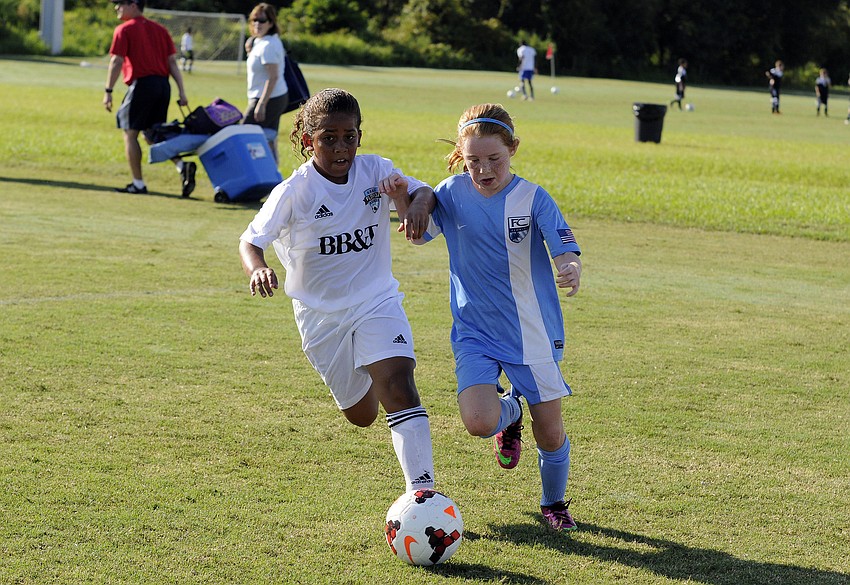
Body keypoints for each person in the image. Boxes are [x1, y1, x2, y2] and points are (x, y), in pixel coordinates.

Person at [238, 88, 437, 495]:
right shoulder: (294, 192)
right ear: (309, 140)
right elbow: (250, 240)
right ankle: (370, 374)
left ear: (360, 137)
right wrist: (258, 268)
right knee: (362, 415)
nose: (341, 146)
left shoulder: (376, 171)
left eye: (350, 136)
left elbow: (423, 190)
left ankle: (423, 494)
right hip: (321, 317)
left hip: (376, 299)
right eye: (329, 137)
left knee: (399, 381)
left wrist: (417, 205)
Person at [400, 104, 583, 532]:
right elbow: (419, 235)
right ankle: (509, 414)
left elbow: (564, 245)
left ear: (513, 149)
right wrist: (401, 198)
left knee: (551, 433)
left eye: (493, 159)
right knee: (479, 422)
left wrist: (570, 264)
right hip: (475, 332)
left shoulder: (533, 197)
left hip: (531, 332)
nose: (483, 169)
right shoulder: (450, 192)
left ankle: (553, 503)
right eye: (473, 160)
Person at [103, 0, 195, 197]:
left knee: (130, 133)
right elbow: (171, 62)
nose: (116, 7)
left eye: (120, 3)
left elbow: (117, 60)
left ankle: (138, 184)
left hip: (143, 85)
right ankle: (182, 166)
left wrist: (108, 90)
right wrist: (181, 91)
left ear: (134, 4)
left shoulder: (124, 29)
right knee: (151, 132)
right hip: (163, 85)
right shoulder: (160, 29)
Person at [244, 3, 289, 162]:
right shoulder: (261, 41)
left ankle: (258, 172)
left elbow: (273, 77)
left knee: (243, 134)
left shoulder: (268, 45)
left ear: (271, 22)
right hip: (270, 96)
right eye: (254, 20)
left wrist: (262, 104)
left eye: (262, 20)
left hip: (268, 98)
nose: (257, 24)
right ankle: (273, 177)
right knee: (269, 138)